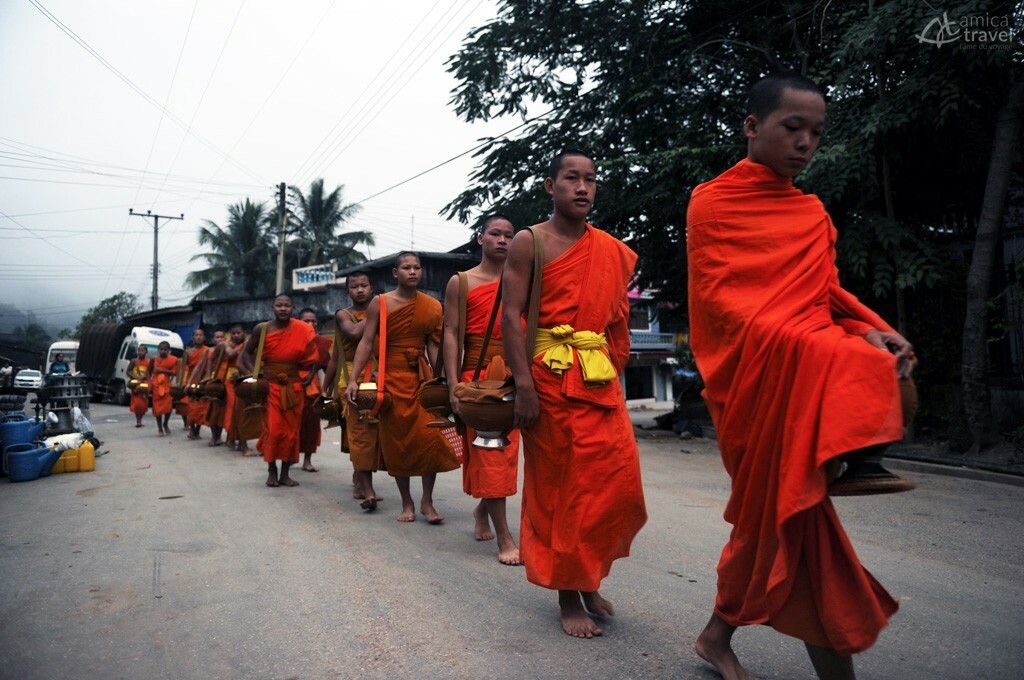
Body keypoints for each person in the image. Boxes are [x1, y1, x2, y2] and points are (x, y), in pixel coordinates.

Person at [686, 73, 915, 680]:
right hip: (758, 377)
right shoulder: (713, 201)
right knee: (787, 517)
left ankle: (717, 636)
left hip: (801, 351)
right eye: (793, 128)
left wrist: (869, 327)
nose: (806, 142)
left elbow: (824, 292)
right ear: (752, 127)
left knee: (780, 518)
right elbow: (721, 304)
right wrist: (796, 340)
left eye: (816, 132)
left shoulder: (810, 210)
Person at [500, 150, 647, 638]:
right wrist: (523, 383)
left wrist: (613, 367)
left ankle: (589, 578)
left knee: (613, 485)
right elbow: (510, 316)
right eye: (571, 179)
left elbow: (617, 323)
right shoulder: (530, 241)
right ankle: (568, 594)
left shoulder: (609, 249)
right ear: (550, 186)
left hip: (597, 376)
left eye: (590, 179)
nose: (582, 188)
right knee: (562, 489)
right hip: (548, 376)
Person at [345, 253, 460, 523]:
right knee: (397, 443)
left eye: (417, 268)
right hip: (391, 381)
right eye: (406, 268)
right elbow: (366, 341)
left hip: (421, 380)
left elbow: (433, 345)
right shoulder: (380, 303)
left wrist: (440, 381)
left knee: (429, 439)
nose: (412, 272)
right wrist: (354, 379)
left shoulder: (432, 306)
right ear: (395, 273)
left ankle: (427, 502)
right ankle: (407, 502)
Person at [443, 214, 522, 565]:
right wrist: (453, 385)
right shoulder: (462, 281)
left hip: (517, 374)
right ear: (480, 238)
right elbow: (451, 333)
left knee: (504, 457)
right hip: (478, 378)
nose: (502, 240)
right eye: (495, 234)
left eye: (509, 235)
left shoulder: (525, 281)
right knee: (492, 452)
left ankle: (482, 511)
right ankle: (505, 538)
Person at [239, 294, 318, 488]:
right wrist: (255, 374)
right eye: (279, 305)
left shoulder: (303, 329)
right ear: (272, 308)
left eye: (287, 306)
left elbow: (314, 357)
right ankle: (271, 471)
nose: (283, 309)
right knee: (273, 430)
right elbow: (246, 353)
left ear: (293, 308)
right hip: (271, 386)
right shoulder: (262, 328)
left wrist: (310, 374)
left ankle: (285, 473)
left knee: (291, 432)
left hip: (294, 387)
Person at [322, 271, 381, 508]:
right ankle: (368, 490)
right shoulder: (343, 315)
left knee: (371, 433)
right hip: (350, 377)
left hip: (378, 373)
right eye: (354, 286)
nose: (360, 290)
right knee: (359, 432)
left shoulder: (381, 310)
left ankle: (360, 478)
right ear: (348, 291)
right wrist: (324, 388)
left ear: (371, 287)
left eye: (364, 285)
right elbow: (350, 339)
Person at [297, 308, 334, 473]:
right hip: (292, 387)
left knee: (312, 425)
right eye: (306, 321)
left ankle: (307, 460)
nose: (310, 324)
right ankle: (288, 457)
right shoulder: (292, 339)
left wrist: (331, 391)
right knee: (292, 424)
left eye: (313, 321)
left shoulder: (321, 343)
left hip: (313, 390)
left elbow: (329, 368)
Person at [193, 330, 229, 447]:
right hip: (214, 383)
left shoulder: (228, 350)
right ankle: (214, 437)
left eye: (221, 337)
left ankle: (220, 437)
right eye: (217, 337)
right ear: (213, 340)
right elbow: (203, 365)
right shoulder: (210, 351)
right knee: (213, 409)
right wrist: (206, 377)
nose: (219, 340)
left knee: (223, 411)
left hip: (226, 381)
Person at [182, 328, 209, 440]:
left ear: (204, 337)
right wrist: (184, 382)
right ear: (193, 338)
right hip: (191, 379)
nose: (198, 337)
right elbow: (184, 368)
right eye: (196, 335)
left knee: (202, 406)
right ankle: (192, 429)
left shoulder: (208, 350)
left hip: (203, 379)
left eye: (201, 335)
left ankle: (197, 430)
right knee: (192, 406)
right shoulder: (188, 352)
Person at [149, 341, 179, 436]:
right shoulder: (154, 359)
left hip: (166, 385)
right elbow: (148, 371)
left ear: (169, 350)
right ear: (158, 350)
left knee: (168, 407)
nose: (163, 351)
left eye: (165, 349)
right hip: (156, 385)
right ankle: (160, 428)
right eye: (161, 349)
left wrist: (161, 370)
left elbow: (175, 373)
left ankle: (165, 423)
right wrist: (149, 382)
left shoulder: (174, 360)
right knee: (157, 408)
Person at [126, 346, 151, 428]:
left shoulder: (149, 362)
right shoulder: (134, 361)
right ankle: (138, 421)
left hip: (144, 384)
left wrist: (145, 377)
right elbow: (128, 371)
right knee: (137, 403)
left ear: (146, 352)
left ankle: (140, 419)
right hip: (136, 384)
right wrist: (135, 377)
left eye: (142, 351)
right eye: (139, 351)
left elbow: (150, 373)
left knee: (143, 404)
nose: (140, 352)